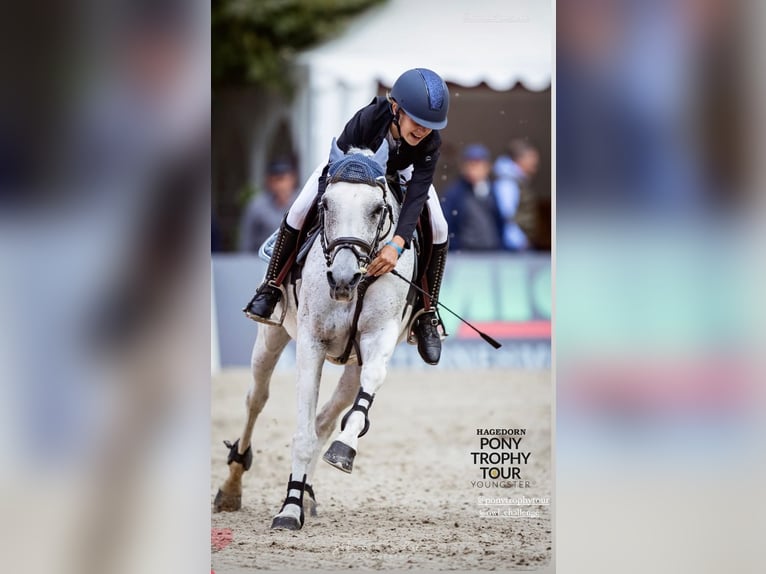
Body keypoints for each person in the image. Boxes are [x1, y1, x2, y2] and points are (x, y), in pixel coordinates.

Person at [243, 68, 450, 365]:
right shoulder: (369, 118)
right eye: (417, 122)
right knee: (301, 207)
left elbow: (417, 195)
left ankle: (427, 313)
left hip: (401, 176)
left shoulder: (431, 142)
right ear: (396, 109)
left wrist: (397, 243)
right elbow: (336, 167)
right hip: (348, 169)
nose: (423, 131)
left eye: (431, 126)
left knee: (440, 227)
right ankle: (272, 288)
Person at [442, 144, 504, 251]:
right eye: (470, 164)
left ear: (487, 167)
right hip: (465, 253)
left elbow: (499, 221)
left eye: (478, 164)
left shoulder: (493, 189)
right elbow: (447, 224)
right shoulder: (455, 193)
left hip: (492, 251)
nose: (474, 169)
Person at [239, 158, 297, 252]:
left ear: (292, 179)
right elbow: (247, 241)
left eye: (283, 179)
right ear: (269, 182)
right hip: (260, 261)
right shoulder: (257, 206)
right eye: (276, 180)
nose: (280, 185)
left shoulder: (301, 205)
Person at [493, 139, 540, 251]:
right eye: (531, 157)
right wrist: (519, 241)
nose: (536, 161)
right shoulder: (508, 181)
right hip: (514, 245)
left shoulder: (517, 179)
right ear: (520, 159)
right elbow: (507, 215)